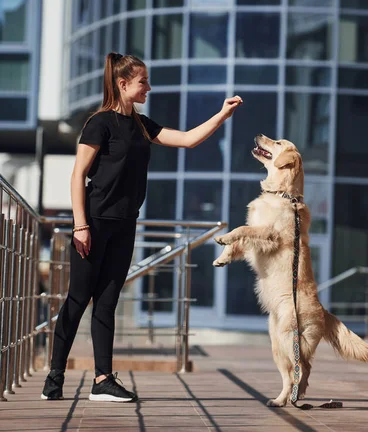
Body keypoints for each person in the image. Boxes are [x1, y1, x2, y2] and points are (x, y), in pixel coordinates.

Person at [41, 52, 243, 402]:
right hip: (94, 222)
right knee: (78, 299)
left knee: (107, 302)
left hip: (124, 224)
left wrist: (222, 115)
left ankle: (102, 379)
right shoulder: (99, 123)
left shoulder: (141, 124)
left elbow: (188, 140)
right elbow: (78, 175)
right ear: (123, 84)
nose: (148, 87)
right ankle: (54, 377)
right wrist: (80, 226)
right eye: (142, 82)